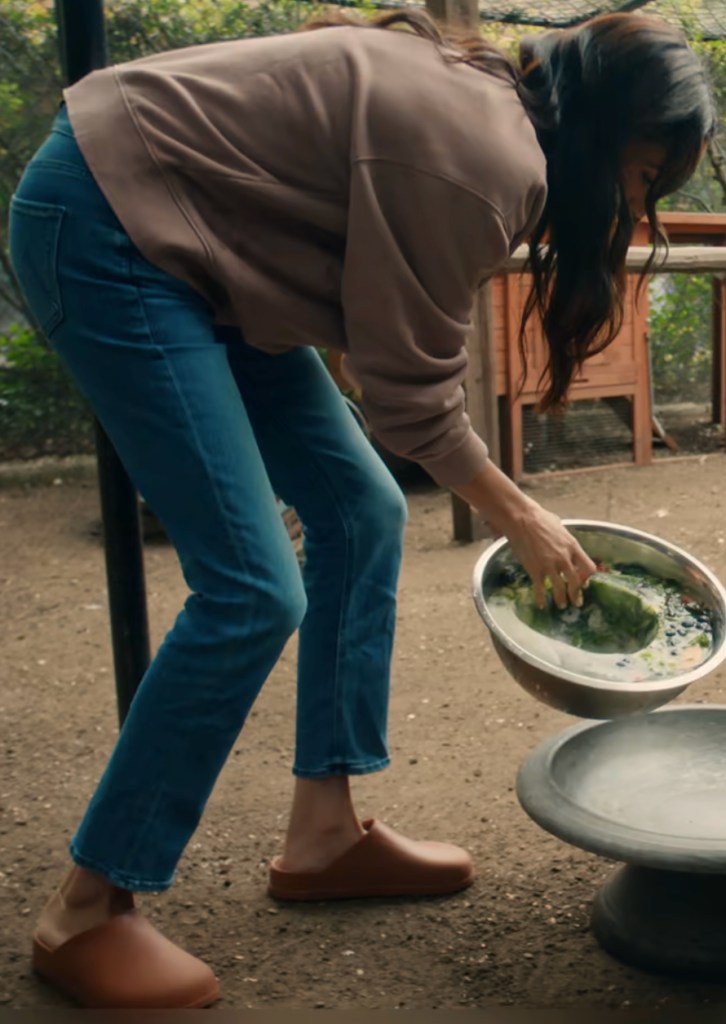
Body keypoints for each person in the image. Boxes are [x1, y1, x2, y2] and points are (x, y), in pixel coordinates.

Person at [8, 6, 713, 1009]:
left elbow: (374, 315)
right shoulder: (484, 155)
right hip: (113, 222)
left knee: (360, 511)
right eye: (644, 180)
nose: (636, 214)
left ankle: (324, 834)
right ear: (603, 133)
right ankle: (87, 909)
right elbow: (408, 395)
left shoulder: (496, 123)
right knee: (252, 587)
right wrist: (524, 515)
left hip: (207, 244)